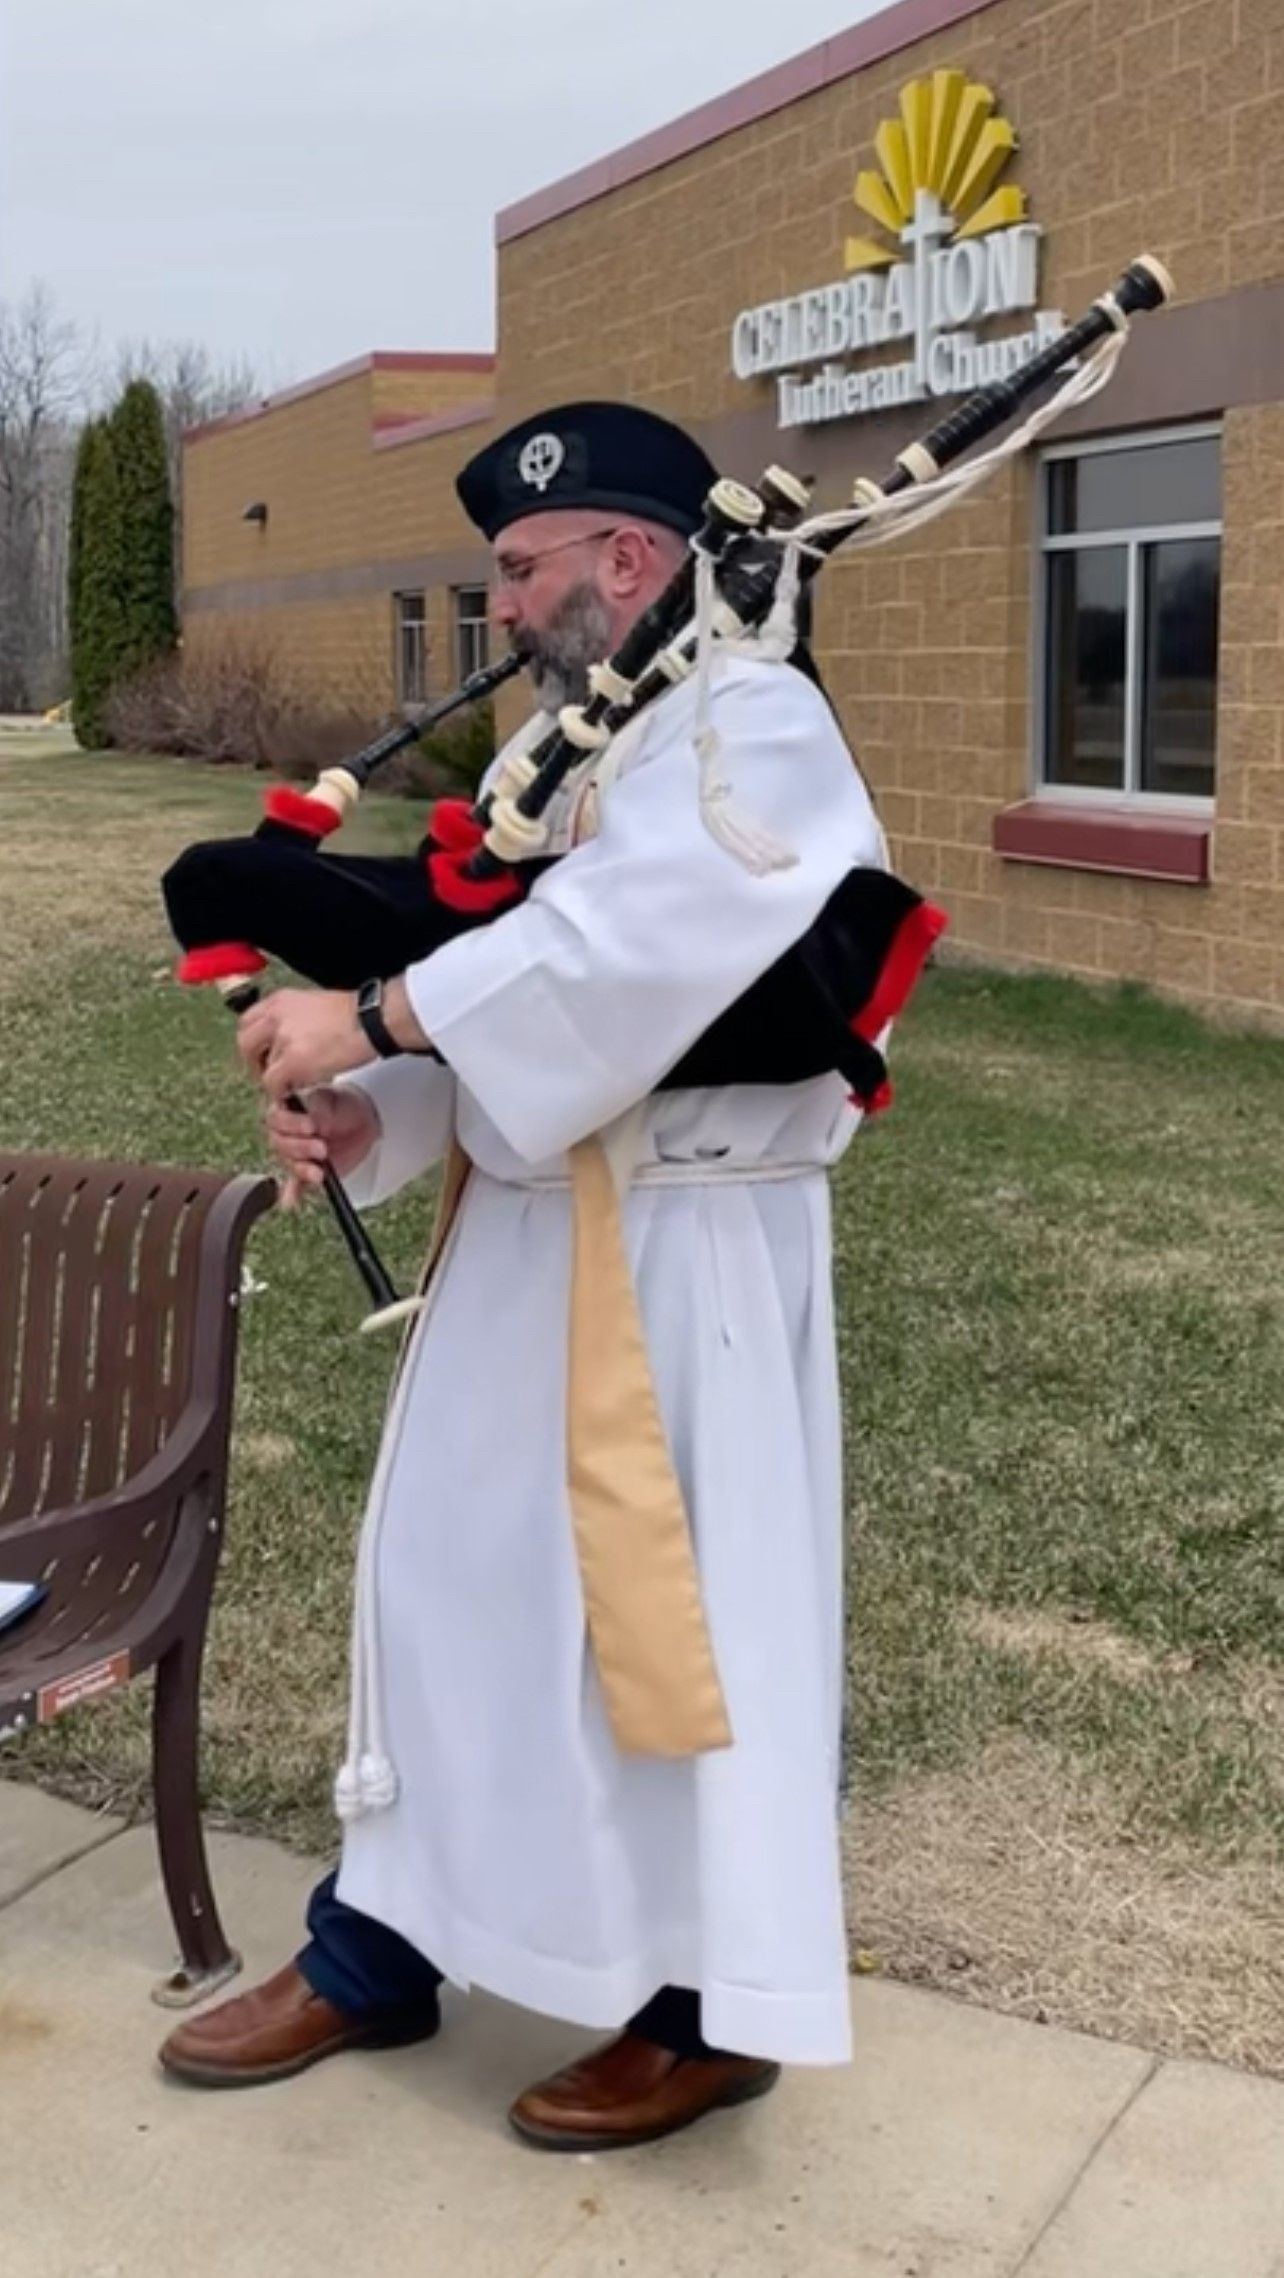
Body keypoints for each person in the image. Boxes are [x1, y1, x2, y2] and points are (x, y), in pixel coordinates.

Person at [158, 401, 888, 2151]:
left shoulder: (751, 729)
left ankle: (705, 2004)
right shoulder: (587, 754)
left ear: (629, 561)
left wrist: (379, 1010)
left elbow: (626, 962)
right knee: (454, 1581)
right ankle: (389, 1937)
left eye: (519, 571)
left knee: (666, 1632)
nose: (498, 611)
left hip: (680, 1259)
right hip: (532, 1238)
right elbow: (530, 979)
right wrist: (381, 1114)